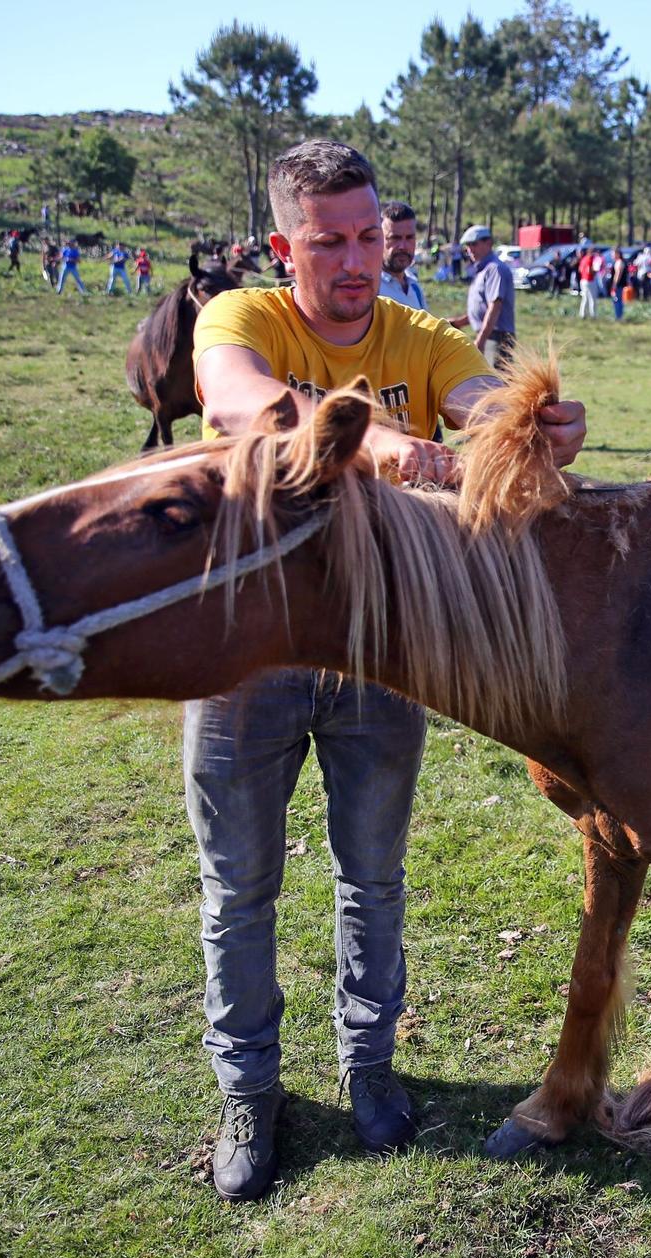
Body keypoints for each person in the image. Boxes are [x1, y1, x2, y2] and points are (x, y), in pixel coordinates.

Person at [188, 140, 587, 1202]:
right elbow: (239, 404)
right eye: (329, 241)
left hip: (376, 657)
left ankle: (369, 1068)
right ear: (285, 246)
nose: (358, 259)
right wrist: (370, 445)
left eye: (369, 235)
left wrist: (535, 426)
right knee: (240, 888)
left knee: (373, 877)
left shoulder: (416, 333)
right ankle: (249, 1091)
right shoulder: (241, 319)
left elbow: (474, 398)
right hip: (247, 653)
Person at [449, 223, 515, 368]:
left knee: (496, 385)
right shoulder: (483, 270)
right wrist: (458, 323)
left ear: (489, 243)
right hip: (488, 335)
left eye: (474, 244)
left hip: (496, 337)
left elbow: (495, 306)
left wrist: (481, 339)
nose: (469, 249)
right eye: (467, 245)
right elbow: (483, 309)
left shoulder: (495, 269)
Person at [377, 200, 426, 311]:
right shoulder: (371, 290)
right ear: (379, 239)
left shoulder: (414, 287)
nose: (403, 246)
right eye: (395, 238)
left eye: (409, 237)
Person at [576, 246, 598, 319]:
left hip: (583, 280)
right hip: (590, 280)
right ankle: (593, 315)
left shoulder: (584, 258)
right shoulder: (591, 259)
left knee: (585, 298)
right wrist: (595, 272)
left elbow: (580, 270)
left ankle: (582, 314)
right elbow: (590, 271)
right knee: (592, 298)